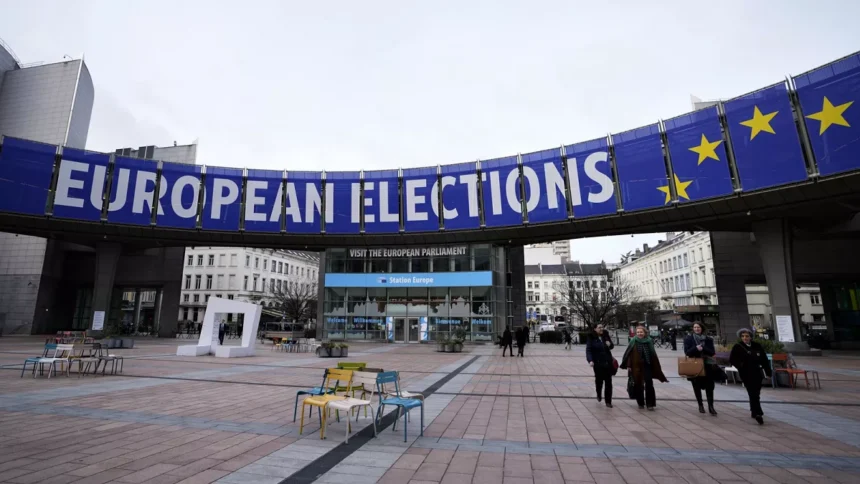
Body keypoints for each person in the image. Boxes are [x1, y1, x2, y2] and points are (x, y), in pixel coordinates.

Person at [730, 328, 772, 425]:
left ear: (751, 337)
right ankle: (758, 413)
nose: (745, 338)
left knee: (756, 392)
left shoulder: (757, 346)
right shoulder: (738, 346)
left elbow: (764, 360)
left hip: (757, 372)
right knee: (752, 392)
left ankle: (754, 411)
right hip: (746, 373)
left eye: (747, 336)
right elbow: (732, 359)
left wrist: (768, 373)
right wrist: (741, 366)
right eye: (743, 336)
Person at [621, 325, 668, 410]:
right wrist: (628, 365)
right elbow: (629, 354)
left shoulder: (649, 341)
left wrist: (655, 365)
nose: (639, 334)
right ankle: (640, 403)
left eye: (641, 332)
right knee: (638, 385)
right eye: (638, 332)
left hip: (647, 365)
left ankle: (650, 404)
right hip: (636, 366)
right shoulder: (633, 341)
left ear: (645, 333)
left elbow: (653, 354)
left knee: (649, 384)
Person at [684, 322, 720, 415]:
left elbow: (712, 352)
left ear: (702, 328)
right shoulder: (689, 339)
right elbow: (687, 352)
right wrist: (696, 348)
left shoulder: (708, 339)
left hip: (707, 365)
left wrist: (703, 348)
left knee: (710, 387)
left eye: (698, 327)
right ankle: (700, 405)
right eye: (695, 327)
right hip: (695, 365)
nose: (696, 329)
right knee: (696, 387)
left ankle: (711, 406)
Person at [586, 323, 615, 408]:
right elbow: (589, 350)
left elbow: (611, 346)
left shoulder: (605, 335)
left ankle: (608, 401)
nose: (601, 329)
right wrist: (590, 360)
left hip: (607, 361)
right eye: (599, 327)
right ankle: (599, 394)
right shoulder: (591, 337)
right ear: (595, 329)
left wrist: (610, 345)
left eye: (602, 327)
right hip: (597, 362)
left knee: (608, 382)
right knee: (599, 381)